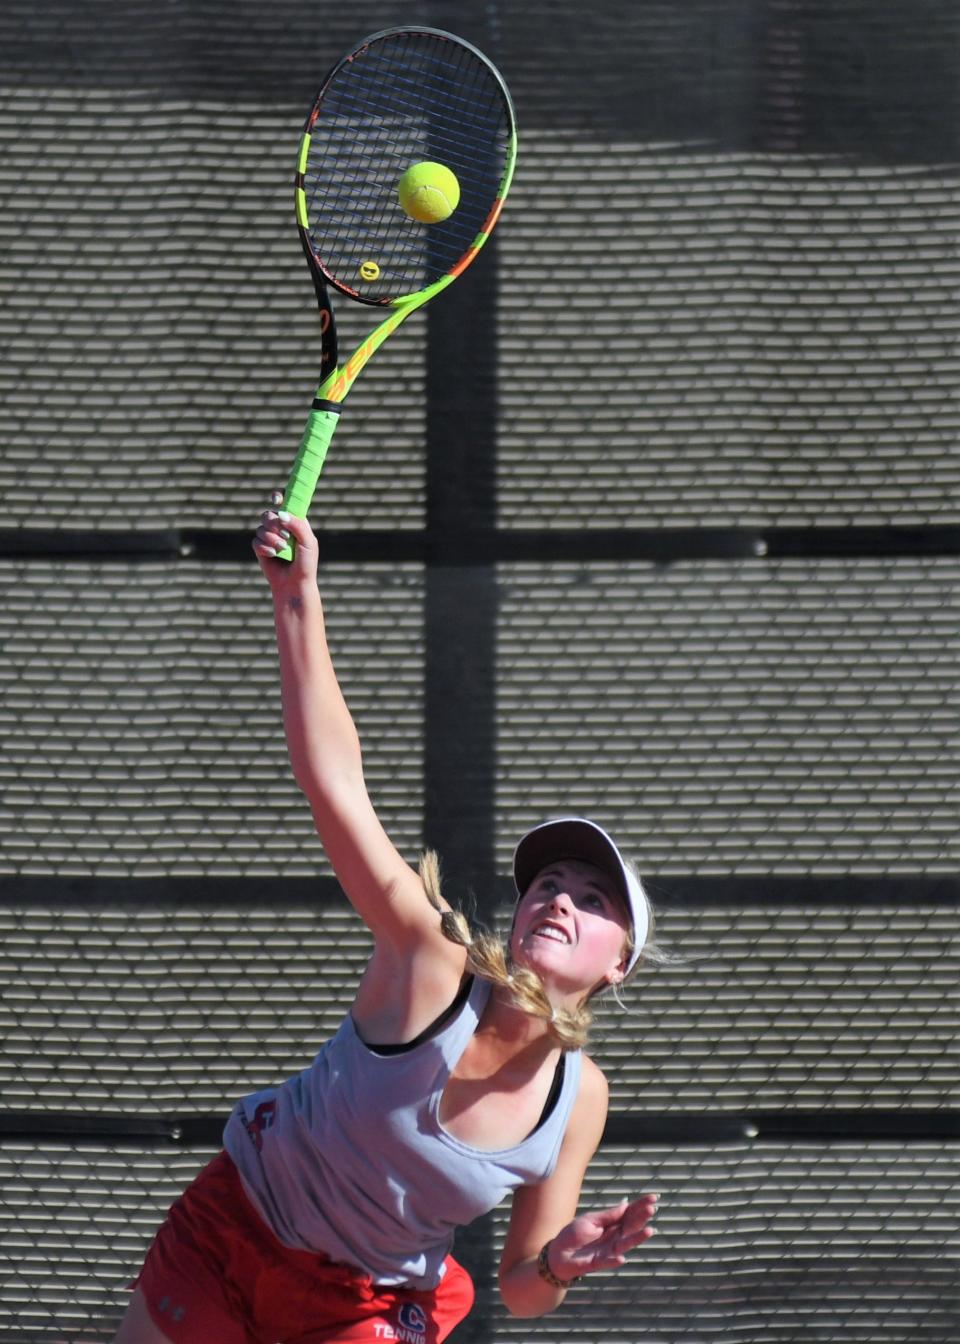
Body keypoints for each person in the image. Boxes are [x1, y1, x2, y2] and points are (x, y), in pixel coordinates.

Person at [110, 502, 659, 1344]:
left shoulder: (580, 1100)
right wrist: (298, 599)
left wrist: (559, 1263)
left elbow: (521, 1288)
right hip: (231, 1230)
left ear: (620, 962)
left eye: (594, 900)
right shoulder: (429, 957)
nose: (560, 899)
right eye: (550, 881)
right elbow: (333, 781)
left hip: (360, 1306)